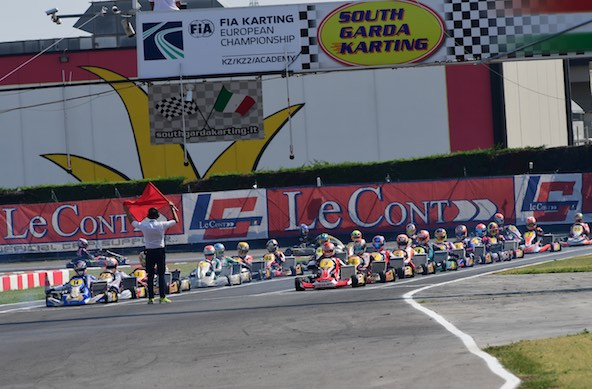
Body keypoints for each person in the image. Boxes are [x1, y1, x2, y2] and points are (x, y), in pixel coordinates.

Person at [124, 202, 179, 304]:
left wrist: (127, 211)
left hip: (149, 252)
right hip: (160, 251)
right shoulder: (161, 224)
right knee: (161, 275)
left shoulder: (144, 225)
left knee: (150, 275)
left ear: (148, 216)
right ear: (157, 216)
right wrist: (172, 208)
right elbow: (176, 220)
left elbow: (132, 221)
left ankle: (151, 298)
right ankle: (162, 297)